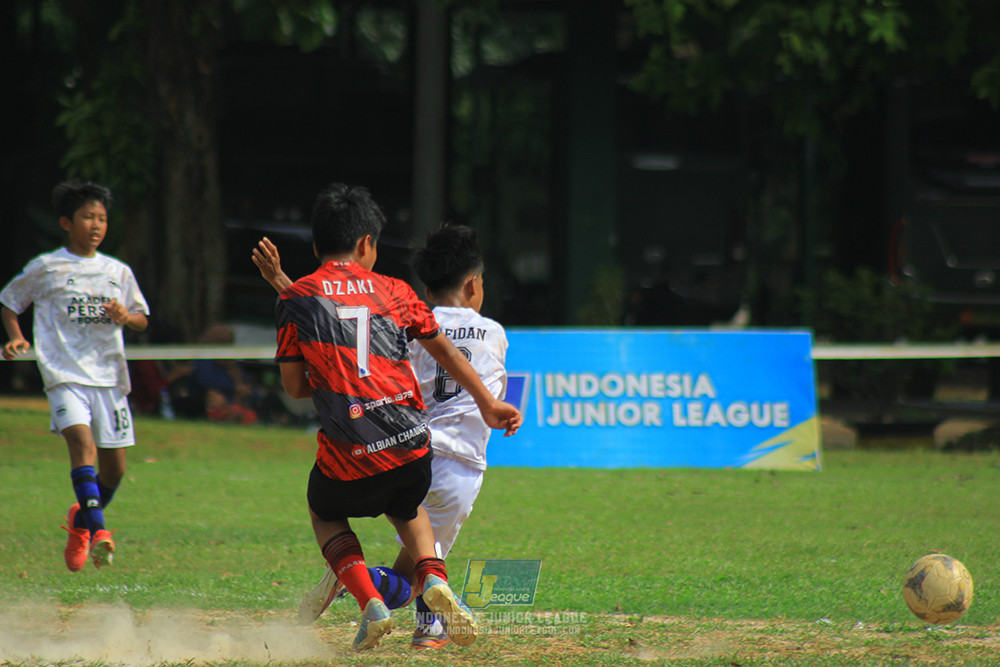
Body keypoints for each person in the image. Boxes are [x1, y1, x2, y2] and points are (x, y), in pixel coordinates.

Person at [252, 183, 521, 651]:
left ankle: (367, 596)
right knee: (408, 506)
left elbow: (295, 386)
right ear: (366, 243)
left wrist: (287, 295)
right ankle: (433, 585)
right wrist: (487, 403)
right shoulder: (396, 292)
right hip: (414, 447)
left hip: (353, 447)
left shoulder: (298, 298)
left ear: (316, 247)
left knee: (325, 507)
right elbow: (445, 353)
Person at [0, 180, 150, 571]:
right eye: (88, 217)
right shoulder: (47, 267)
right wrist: (15, 338)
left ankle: (79, 520)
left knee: (115, 470)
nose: (96, 225)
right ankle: (100, 531)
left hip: (109, 378)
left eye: (101, 218)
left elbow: (141, 318)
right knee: (81, 443)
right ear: (67, 222)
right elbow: (10, 302)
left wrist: (126, 317)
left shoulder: (117, 271)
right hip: (63, 374)